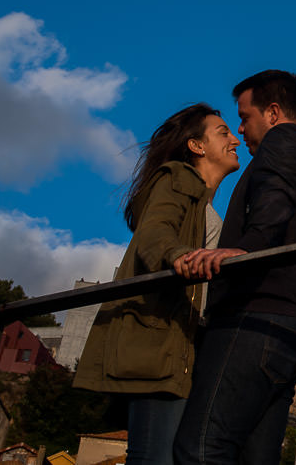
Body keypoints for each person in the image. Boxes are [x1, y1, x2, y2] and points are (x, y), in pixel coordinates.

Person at [173, 70, 296, 465]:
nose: (241, 130)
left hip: (256, 318)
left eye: (245, 117)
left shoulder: (285, 139)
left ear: (274, 112)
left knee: (199, 449)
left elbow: (274, 195)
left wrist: (244, 249)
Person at [74, 104, 241, 465]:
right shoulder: (177, 176)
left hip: (180, 347)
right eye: (224, 132)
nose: (236, 139)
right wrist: (177, 254)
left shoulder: (204, 204)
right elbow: (154, 234)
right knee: (153, 458)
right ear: (197, 146)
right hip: (157, 346)